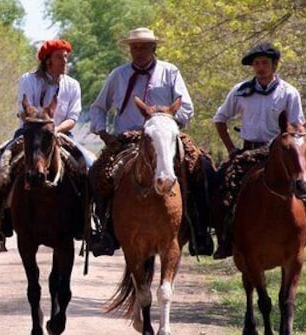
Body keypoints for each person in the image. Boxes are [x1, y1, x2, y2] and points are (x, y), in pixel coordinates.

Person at [88, 27, 214, 257]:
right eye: (134, 47)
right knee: (98, 172)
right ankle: (104, 231)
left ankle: (200, 230)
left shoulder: (170, 71)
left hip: (164, 134)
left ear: (154, 48)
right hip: (128, 137)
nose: (138, 51)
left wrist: (168, 122)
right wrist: (103, 132)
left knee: (201, 167)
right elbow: (98, 107)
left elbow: (186, 106)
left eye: (144, 46)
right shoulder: (118, 75)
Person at [212, 42, 306, 258]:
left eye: (264, 63)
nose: (260, 67)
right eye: (256, 64)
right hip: (249, 152)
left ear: (275, 65)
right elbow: (220, 119)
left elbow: (298, 126)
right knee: (219, 181)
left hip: (283, 152)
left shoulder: (289, 92)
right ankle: (223, 238)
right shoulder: (241, 91)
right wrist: (232, 149)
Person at [0, 38, 95, 252]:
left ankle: (87, 222)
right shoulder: (29, 79)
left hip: (62, 133)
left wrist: (56, 130)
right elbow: (23, 108)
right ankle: (3, 219)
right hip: (30, 132)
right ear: (47, 60)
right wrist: (38, 124)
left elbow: (73, 116)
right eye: (59, 57)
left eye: (66, 57)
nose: (65, 61)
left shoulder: (72, 85)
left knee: (89, 166)